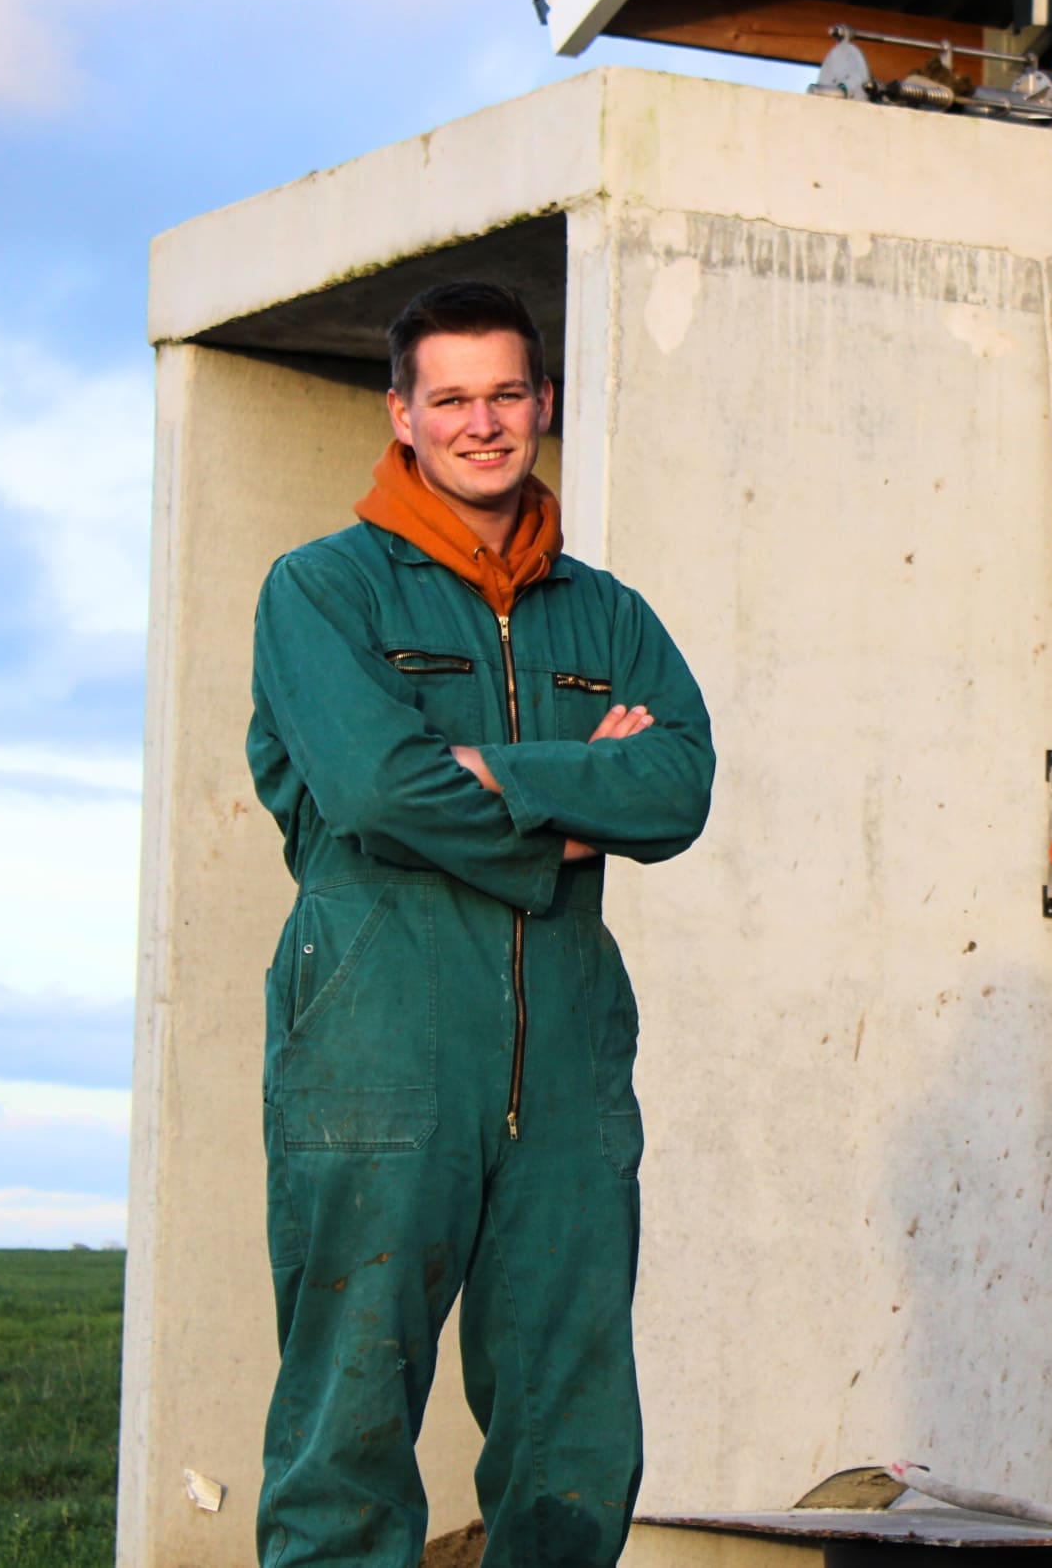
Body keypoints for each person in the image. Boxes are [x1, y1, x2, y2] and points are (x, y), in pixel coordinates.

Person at [246, 281, 715, 1567]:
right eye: (450, 398)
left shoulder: (606, 614)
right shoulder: (321, 592)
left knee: (574, 1437)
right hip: (379, 1052)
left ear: (543, 402)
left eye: (506, 393)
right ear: (402, 415)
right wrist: (573, 804)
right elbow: (372, 789)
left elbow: (676, 786)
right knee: (347, 1430)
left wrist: (490, 772)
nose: (482, 423)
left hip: (565, 1061)